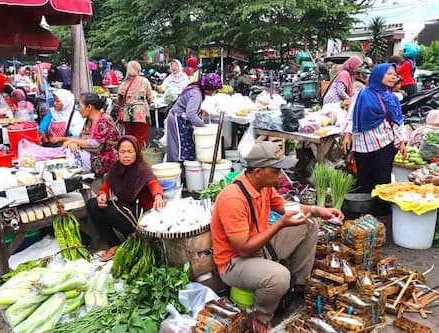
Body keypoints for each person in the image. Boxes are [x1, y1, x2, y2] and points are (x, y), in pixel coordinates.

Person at [211, 141, 343, 332]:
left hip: (259, 246)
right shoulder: (233, 199)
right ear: (258, 171)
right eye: (276, 171)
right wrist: (281, 224)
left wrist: (317, 210)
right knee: (279, 277)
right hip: (234, 262)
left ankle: (298, 284)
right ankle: (262, 314)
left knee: (309, 224)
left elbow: (285, 207)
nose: (281, 176)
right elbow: (243, 248)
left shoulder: (263, 186)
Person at [86, 135, 165, 261]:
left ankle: (133, 236)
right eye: (122, 152)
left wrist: (158, 197)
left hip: (141, 211)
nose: (126, 155)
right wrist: (102, 196)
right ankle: (114, 243)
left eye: (130, 152)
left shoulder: (143, 168)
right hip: (124, 206)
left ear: (136, 152)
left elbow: (153, 183)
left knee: (112, 212)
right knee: (92, 204)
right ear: (118, 153)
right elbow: (106, 186)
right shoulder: (116, 168)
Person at [342, 63, 407, 194]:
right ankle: (365, 210)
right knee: (364, 178)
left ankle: (382, 210)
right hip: (362, 144)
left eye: (394, 74)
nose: (393, 77)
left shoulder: (392, 98)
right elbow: (351, 116)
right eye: (389, 74)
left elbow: (398, 122)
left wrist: (402, 142)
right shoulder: (362, 95)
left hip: (385, 142)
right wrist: (347, 135)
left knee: (383, 178)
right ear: (378, 75)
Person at [166, 73, 222, 162]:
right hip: (177, 119)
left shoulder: (196, 89)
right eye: (214, 90)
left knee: (183, 146)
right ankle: (177, 171)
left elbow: (188, 105)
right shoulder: (196, 93)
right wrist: (202, 125)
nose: (214, 92)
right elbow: (191, 114)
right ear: (208, 88)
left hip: (180, 117)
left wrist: (200, 110)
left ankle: (182, 169)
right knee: (178, 148)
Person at [61, 93, 121, 176]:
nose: (78, 109)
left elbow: (96, 144)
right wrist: (74, 143)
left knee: (72, 155)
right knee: (71, 150)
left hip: (106, 159)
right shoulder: (89, 121)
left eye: (80, 106)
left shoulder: (104, 121)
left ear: (89, 107)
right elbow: (82, 138)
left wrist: (73, 141)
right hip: (93, 154)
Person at [117, 61, 153, 148]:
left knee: (129, 137)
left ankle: (129, 155)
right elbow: (149, 97)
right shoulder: (144, 81)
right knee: (140, 138)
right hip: (140, 114)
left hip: (127, 114)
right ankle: (138, 156)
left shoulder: (124, 83)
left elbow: (119, 100)